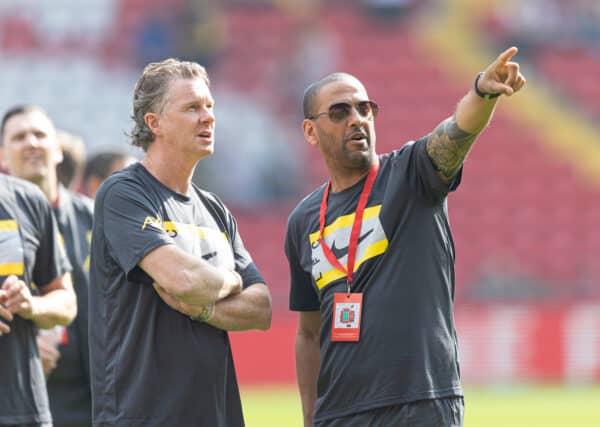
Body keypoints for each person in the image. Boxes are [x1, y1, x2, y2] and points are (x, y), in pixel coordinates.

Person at [285, 47, 526, 426]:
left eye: (365, 109)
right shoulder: (303, 221)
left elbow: (456, 132)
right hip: (340, 415)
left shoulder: (412, 175)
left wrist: (482, 92)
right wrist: (311, 417)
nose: (357, 119)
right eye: (340, 111)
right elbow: (308, 334)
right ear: (310, 131)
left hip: (422, 404)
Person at [89, 58, 272, 427]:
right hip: (142, 416)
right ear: (153, 123)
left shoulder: (215, 208)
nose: (208, 117)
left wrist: (205, 309)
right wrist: (233, 280)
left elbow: (262, 308)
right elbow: (183, 281)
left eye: (209, 106)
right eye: (192, 108)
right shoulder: (124, 192)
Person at [1, 105, 94, 427]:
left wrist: (36, 307)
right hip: (25, 382)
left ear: (58, 149)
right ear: (2, 155)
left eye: (40, 134)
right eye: (19, 136)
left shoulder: (97, 219)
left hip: (94, 391)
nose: (31, 143)